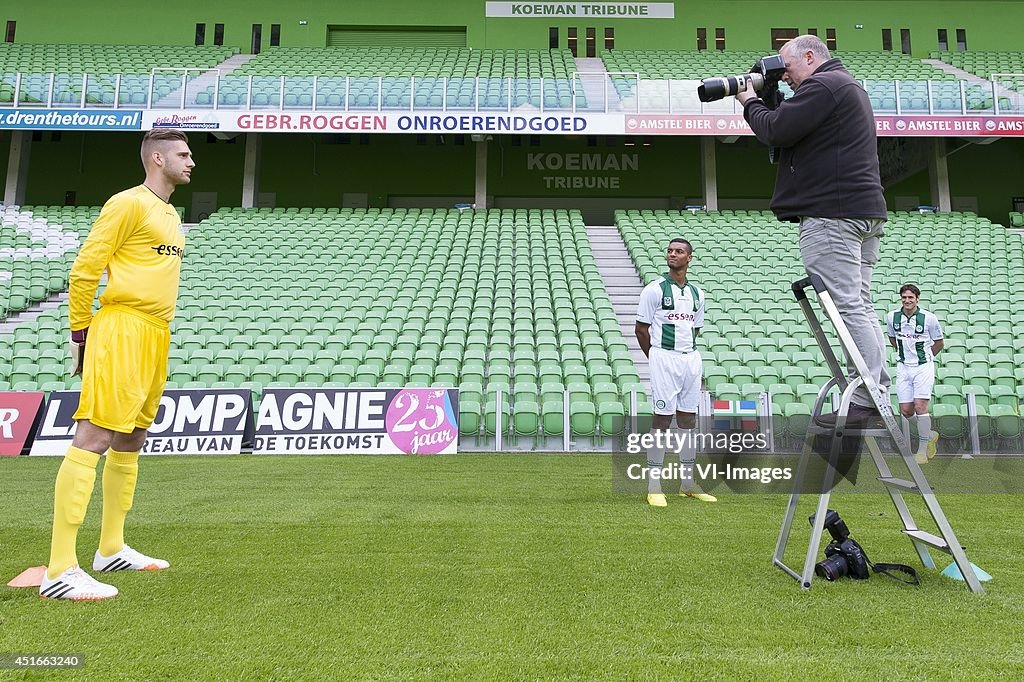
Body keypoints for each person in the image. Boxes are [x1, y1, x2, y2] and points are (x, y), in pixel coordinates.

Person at [40, 129, 194, 601]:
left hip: (155, 333)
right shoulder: (127, 202)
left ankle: (110, 549)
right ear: (155, 157)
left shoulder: (170, 213)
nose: (192, 162)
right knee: (95, 434)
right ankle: (59, 569)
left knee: (133, 435)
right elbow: (86, 267)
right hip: (121, 326)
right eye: (183, 154)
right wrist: (80, 333)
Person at [738, 35, 890, 426]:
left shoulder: (823, 84)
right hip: (863, 210)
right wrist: (768, 92)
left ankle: (870, 395)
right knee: (860, 302)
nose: (784, 75)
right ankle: (874, 389)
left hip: (833, 213)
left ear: (810, 56)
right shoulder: (844, 86)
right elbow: (789, 124)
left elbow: (774, 130)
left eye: (787, 66)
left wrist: (747, 99)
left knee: (846, 305)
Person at [635, 238, 716, 506]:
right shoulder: (654, 290)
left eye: (678, 251)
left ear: (689, 257)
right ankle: (654, 485)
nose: (672, 254)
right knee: (662, 419)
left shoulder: (697, 293)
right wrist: (656, 357)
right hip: (664, 357)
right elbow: (641, 329)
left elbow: (696, 328)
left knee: (688, 420)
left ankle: (687, 483)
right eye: (670, 251)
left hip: (690, 359)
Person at [887, 284, 943, 464]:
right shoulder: (892, 317)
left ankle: (921, 452)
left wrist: (925, 358)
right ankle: (930, 434)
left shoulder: (929, 318)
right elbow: (892, 338)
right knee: (906, 410)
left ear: (917, 299)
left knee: (920, 407)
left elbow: (939, 343)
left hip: (923, 366)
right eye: (904, 297)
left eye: (911, 297)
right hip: (903, 367)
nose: (907, 300)